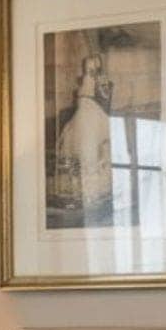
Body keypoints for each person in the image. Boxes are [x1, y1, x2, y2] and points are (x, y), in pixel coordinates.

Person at [55, 53, 113, 223]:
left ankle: (95, 193)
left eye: (92, 66)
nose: (89, 69)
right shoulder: (82, 80)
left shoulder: (101, 80)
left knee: (92, 149)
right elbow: (78, 99)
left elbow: (105, 96)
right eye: (87, 66)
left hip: (93, 114)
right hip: (81, 115)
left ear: (97, 66)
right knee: (74, 142)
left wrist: (101, 89)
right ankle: (78, 194)